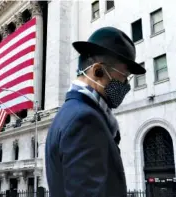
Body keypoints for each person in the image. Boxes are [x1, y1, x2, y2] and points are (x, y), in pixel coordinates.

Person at [45, 26, 146, 197]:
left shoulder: (71, 113)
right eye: (123, 77)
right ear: (98, 71)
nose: (126, 85)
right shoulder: (83, 120)